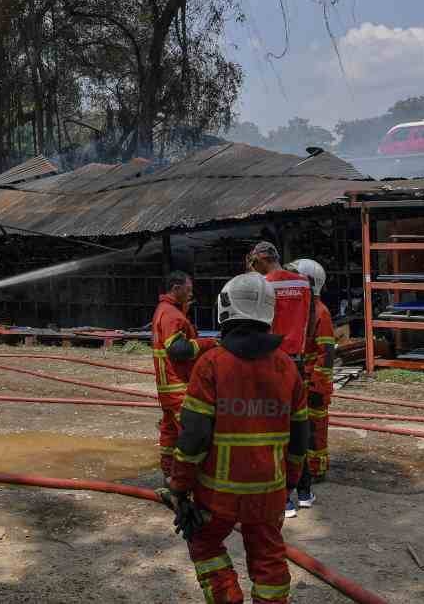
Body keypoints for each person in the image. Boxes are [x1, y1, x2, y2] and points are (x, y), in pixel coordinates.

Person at [169, 272, 309, 604]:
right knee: (269, 559)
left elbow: (193, 437)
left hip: (217, 495)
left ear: (225, 309)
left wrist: (179, 486)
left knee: (204, 543)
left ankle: (227, 597)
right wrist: (289, 484)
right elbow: (300, 439)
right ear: (268, 312)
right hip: (269, 493)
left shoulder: (211, 364)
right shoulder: (288, 368)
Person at [247, 241, 314, 517]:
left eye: (255, 263)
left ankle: (283, 499)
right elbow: (309, 320)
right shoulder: (303, 283)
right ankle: (305, 492)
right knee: (298, 425)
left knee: (272, 427)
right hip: (297, 361)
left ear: (263, 259)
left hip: (272, 360)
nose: (254, 267)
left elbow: (256, 324)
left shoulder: (263, 285)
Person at [151, 271, 216, 479]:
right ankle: (186, 479)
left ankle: (170, 474)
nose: (191, 294)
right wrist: (209, 343)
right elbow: (178, 350)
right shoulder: (172, 315)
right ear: (175, 288)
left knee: (170, 431)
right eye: (188, 290)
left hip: (168, 387)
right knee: (193, 433)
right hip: (179, 385)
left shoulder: (165, 310)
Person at [287, 259, 336, 492]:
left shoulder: (320, 312)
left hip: (314, 384)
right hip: (299, 381)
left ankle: (316, 469)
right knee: (299, 428)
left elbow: (326, 354)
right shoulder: (300, 309)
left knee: (315, 428)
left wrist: (317, 385)